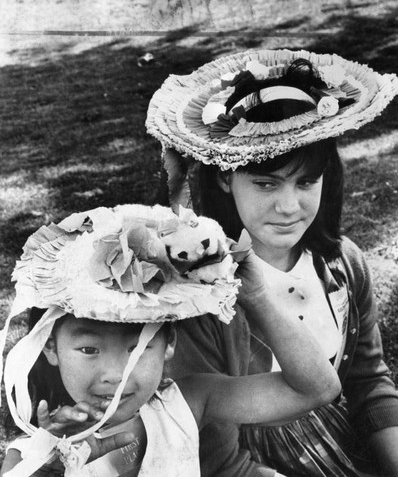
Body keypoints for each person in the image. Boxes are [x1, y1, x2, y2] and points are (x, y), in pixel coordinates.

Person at [146, 49, 398, 476]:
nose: (288, 207)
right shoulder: (201, 295)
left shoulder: (342, 264)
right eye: (265, 184)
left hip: (343, 444)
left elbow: (367, 384)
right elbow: (209, 448)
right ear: (226, 176)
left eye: (306, 182)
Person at [0, 203, 340, 477]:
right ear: (50, 348)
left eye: (138, 348)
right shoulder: (30, 458)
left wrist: (257, 297)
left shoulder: (188, 404)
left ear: (170, 344)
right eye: (89, 349)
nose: (116, 374)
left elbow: (316, 389)